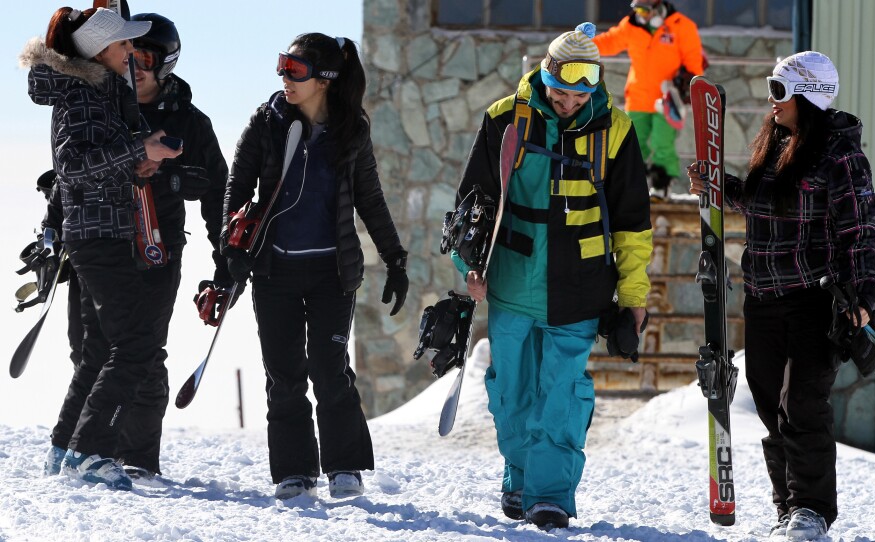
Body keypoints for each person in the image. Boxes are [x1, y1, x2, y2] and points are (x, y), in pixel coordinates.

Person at [452, 22, 652, 529]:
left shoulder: (617, 130)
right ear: (544, 77)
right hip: (513, 286)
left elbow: (632, 223)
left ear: (595, 86)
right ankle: (519, 480)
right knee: (512, 394)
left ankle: (551, 496)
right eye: (560, 93)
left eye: (579, 95)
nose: (568, 104)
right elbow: (473, 205)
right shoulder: (505, 119)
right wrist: (470, 266)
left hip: (583, 290)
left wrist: (632, 295)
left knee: (561, 395)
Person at [687, 51, 875, 541]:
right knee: (772, 407)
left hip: (816, 301)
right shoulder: (778, 145)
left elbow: (861, 230)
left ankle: (812, 510)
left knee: (802, 408)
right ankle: (788, 506)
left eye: (779, 91)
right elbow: (761, 202)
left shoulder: (840, 154)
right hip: (763, 298)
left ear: (808, 96)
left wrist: (864, 296)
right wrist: (719, 187)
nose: (771, 102)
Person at [221, 32, 408, 500]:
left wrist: (395, 259)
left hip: (331, 274)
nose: (284, 77)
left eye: (295, 69)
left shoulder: (351, 130)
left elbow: (370, 198)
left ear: (324, 79)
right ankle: (294, 470)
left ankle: (345, 466)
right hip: (273, 271)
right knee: (283, 373)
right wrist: (230, 252)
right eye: (282, 66)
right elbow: (236, 188)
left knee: (329, 369)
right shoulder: (266, 123)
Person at [20, 7, 181, 490]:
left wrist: (141, 159)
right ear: (99, 51)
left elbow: (94, 161)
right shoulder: (82, 94)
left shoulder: (99, 90)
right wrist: (139, 152)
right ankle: (92, 451)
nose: (132, 52)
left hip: (101, 230)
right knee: (135, 342)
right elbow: (72, 168)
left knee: (100, 348)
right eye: (124, 45)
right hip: (98, 235)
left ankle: (64, 449)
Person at [593, 0, 704, 199]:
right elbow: (609, 42)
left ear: (658, 8)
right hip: (638, 97)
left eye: (644, 10)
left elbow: (694, 63)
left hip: (669, 99)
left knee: (663, 143)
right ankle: (635, 187)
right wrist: (583, 43)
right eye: (637, 9)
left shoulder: (683, 26)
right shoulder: (631, 25)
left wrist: (685, 82)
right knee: (633, 143)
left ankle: (661, 187)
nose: (640, 14)